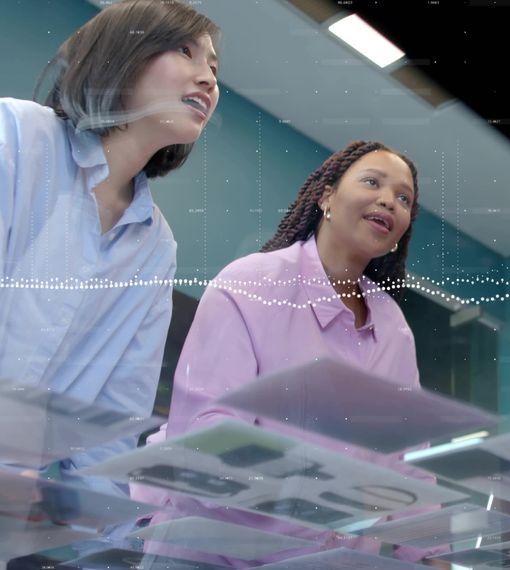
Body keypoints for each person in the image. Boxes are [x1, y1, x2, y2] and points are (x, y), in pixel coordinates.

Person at [137, 141, 448, 567]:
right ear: (326, 197)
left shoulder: (394, 329)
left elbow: (406, 461)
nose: (388, 201)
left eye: (404, 198)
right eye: (372, 182)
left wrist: (432, 555)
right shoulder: (252, 283)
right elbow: (209, 436)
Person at [0, 0, 220, 492]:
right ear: (122, 53)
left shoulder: (155, 246)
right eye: (186, 51)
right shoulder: (16, 135)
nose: (208, 79)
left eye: (214, 68)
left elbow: (112, 423)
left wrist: (98, 528)